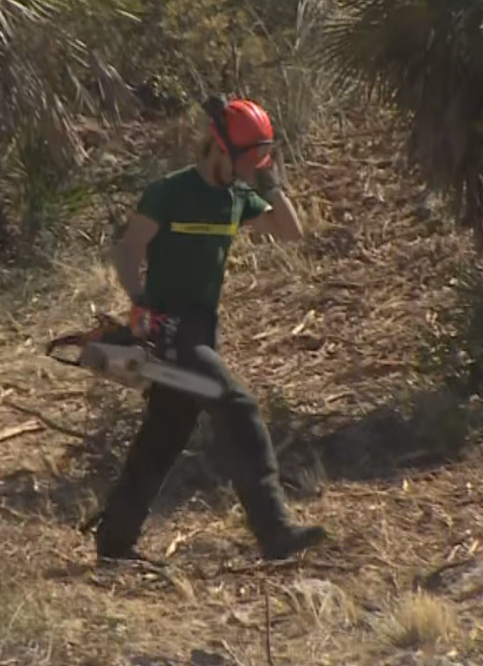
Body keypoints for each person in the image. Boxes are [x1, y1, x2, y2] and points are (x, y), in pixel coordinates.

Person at [93, 96, 329, 563]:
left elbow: (291, 232)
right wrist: (139, 303)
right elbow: (127, 251)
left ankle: (114, 542)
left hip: (201, 330)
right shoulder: (170, 192)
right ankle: (274, 530)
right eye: (248, 158)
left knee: (165, 433)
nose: (252, 167)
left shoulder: (238, 198)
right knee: (238, 406)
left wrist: (272, 181)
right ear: (219, 149)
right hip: (170, 331)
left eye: (259, 158)